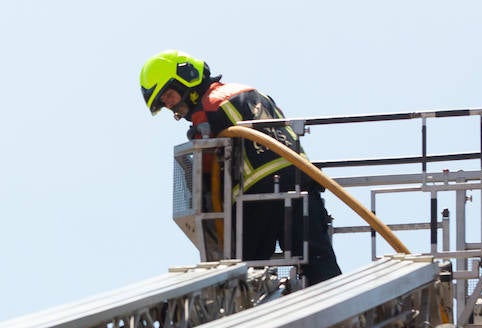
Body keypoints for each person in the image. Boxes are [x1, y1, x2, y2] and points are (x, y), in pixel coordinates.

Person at [139, 50, 342, 285]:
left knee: (242, 277)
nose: (171, 106)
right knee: (321, 267)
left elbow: (204, 169)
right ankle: (345, 315)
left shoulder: (207, 108)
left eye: (169, 96)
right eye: (165, 103)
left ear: (187, 77)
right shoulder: (253, 92)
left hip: (258, 197)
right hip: (302, 184)